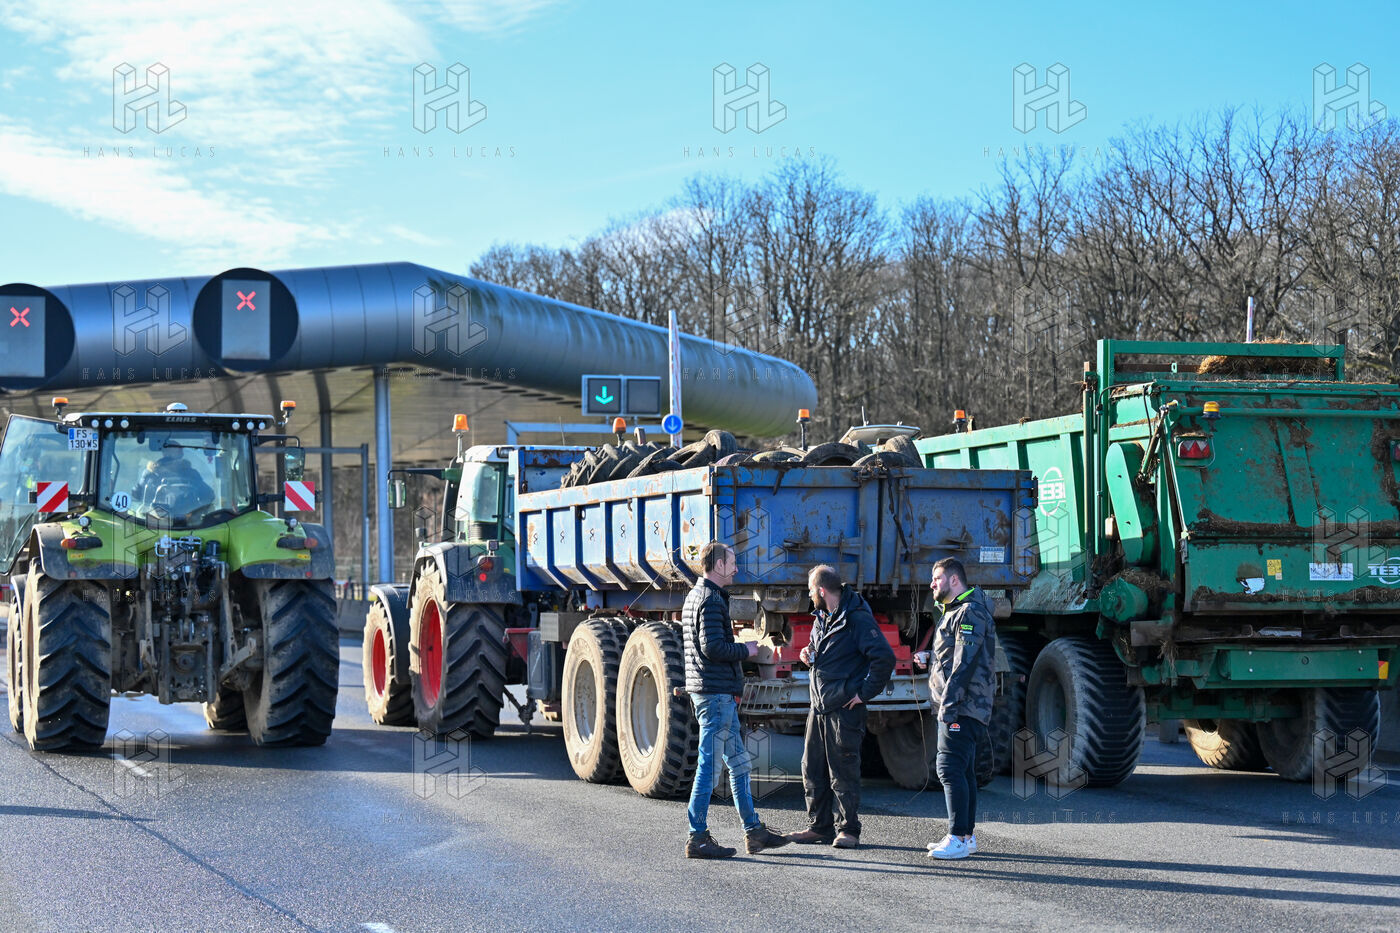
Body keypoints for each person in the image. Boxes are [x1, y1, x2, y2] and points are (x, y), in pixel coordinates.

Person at [681, 540, 790, 859]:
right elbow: (712, 647)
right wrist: (747, 650)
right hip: (714, 695)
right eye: (731, 563)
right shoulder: (711, 600)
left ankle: (753, 832)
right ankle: (697, 837)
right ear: (718, 565)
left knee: (739, 764)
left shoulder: (696, 596)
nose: (736, 569)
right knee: (709, 766)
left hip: (714, 693)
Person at [786, 564, 894, 850]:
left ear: (822, 591)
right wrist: (807, 653)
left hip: (844, 708)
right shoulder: (822, 616)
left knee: (843, 770)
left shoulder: (856, 618)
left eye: (811, 591)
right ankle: (818, 827)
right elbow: (818, 651)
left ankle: (848, 830)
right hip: (819, 705)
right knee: (812, 768)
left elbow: (884, 658)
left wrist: (864, 693)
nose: (809, 596)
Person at [916, 556, 996, 860]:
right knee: (963, 770)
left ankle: (958, 837)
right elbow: (955, 657)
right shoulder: (956, 611)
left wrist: (948, 708)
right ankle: (966, 836)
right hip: (962, 704)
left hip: (963, 706)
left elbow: (965, 663)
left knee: (948, 768)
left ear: (953, 580)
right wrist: (931, 659)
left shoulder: (969, 611)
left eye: (936, 578)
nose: (932, 584)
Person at [132, 443, 212, 516]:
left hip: (186, 518)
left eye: (176, 451)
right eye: (169, 450)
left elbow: (208, 496)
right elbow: (136, 496)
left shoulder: (191, 474)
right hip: (156, 517)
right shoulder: (151, 474)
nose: (170, 454)